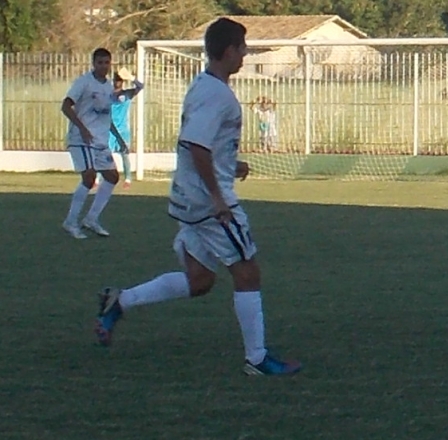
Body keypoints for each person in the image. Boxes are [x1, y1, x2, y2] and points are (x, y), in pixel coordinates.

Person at [94, 18, 302, 376]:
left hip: (188, 200)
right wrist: (219, 196)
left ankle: (120, 302)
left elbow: (199, 144)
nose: (245, 53)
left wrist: (228, 163)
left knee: (200, 280)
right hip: (208, 205)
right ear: (228, 51)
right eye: (242, 47)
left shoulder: (204, 85)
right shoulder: (216, 94)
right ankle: (257, 359)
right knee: (248, 273)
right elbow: (196, 146)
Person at [61, 48, 123, 239]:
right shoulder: (84, 82)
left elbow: (106, 115)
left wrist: (118, 137)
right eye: (100, 63)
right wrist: (82, 129)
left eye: (107, 63)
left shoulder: (108, 87)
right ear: (93, 64)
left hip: (100, 139)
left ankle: (91, 219)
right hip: (82, 139)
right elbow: (65, 105)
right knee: (89, 177)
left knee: (112, 176)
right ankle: (70, 222)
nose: (104, 66)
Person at [97, 67, 143, 189]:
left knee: (125, 154)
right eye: (116, 80)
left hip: (122, 130)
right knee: (105, 154)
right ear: (113, 81)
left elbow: (140, 86)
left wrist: (131, 77)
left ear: (123, 82)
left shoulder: (127, 94)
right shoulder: (108, 95)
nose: (118, 82)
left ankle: (128, 178)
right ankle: (98, 179)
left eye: (120, 80)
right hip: (110, 129)